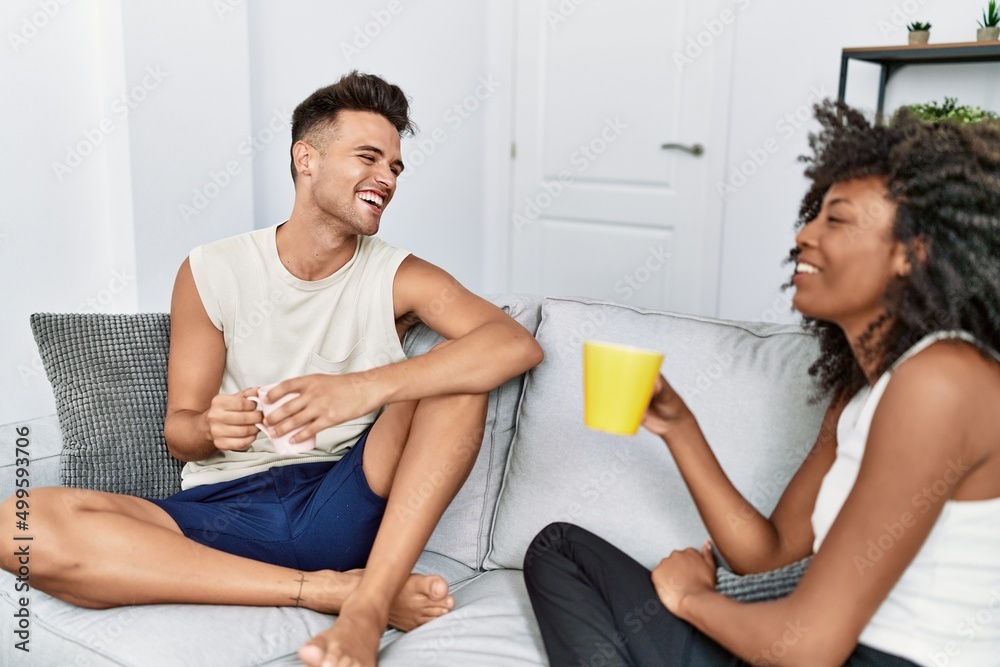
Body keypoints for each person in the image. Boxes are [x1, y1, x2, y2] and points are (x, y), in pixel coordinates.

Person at [0, 71, 542, 667]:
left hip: (344, 497)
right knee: (18, 526)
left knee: (459, 375)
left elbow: (513, 345)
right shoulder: (213, 271)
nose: (387, 178)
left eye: (395, 167)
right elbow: (180, 433)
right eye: (369, 157)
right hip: (224, 509)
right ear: (305, 158)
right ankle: (335, 591)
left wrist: (360, 389)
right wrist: (210, 428)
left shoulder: (400, 275)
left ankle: (368, 606)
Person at [523, 100, 1000, 666]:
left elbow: (811, 648)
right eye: (814, 214)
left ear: (912, 252)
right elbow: (769, 558)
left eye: (837, 219)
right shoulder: (866, 395)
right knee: (560, 549)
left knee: (569, 556)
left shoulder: (943, 379)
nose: (804, 235)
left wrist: (692, 596)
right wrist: (680, 428)